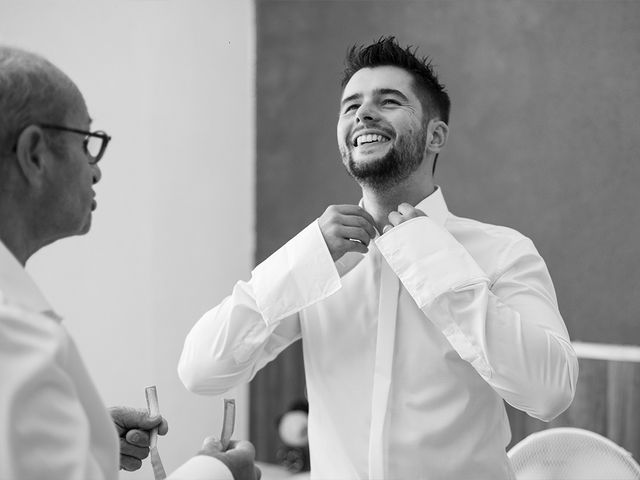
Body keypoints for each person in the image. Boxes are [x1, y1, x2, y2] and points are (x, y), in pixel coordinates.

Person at [178, 36, 579, 479]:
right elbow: (201, 371)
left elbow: (550, 393)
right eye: (350, 106)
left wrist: (431, 258)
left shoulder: (503, 252)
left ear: (436, 134)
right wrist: (302, 260)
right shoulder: (316, 263)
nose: (363, 114)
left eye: (388, 101)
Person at [0, 45, 259, 480]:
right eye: (86, 143)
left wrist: (87, 438)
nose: (96, 171)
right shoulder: (14, 335)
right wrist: (218, 474)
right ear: (34, 154)